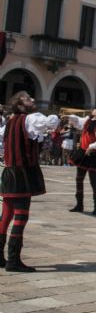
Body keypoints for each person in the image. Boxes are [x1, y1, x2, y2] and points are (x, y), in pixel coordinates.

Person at [0, 92, 59, 271]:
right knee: (21, 215)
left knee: (6, 215)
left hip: (9, 171)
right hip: (22, 174)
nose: (32, 100)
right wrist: (56, 116)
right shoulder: (31, 119)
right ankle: (13, 260)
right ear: (19, 105)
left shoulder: (8, 122)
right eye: (27, 99)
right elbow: (52, 123)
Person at [67, 108, 96, 215]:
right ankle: (79, 205)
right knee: (79, 179)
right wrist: (69, 117)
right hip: (83, 153)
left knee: (93, 181)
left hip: (92, 155)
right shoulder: (87, 121)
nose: (93, 110)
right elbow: (78, 121)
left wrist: (92, 146)